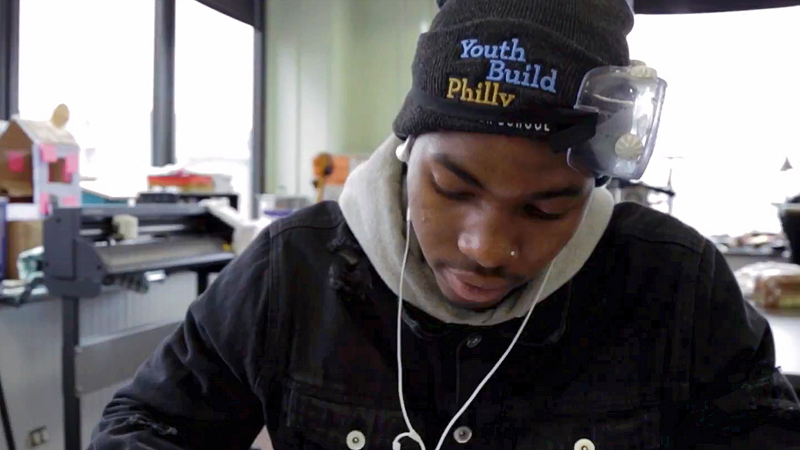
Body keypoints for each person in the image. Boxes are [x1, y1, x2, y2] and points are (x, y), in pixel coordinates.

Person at [91, 0, 800, 449]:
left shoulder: (673, 284)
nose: (487, 247)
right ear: (407, 151)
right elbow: (148, 425)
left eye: (547, 207)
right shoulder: (291, 271)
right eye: (452, 187)